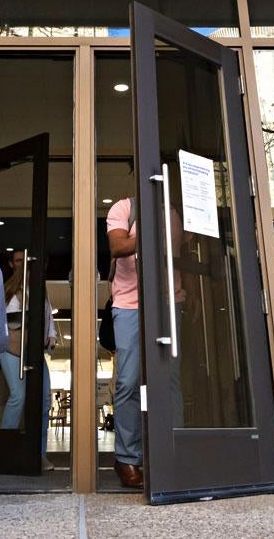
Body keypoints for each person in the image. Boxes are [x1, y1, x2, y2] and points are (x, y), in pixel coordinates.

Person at [105, 195, 183, 490]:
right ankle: (127, 458)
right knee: (128, 380)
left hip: (169, 301)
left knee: (171, 379)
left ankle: (174, 451)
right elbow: (118, 246)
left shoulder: (175, 211)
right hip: (128, 305)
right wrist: (152, 232)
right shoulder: (124, 208)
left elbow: (183, 251)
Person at [0, 250, 58, 472]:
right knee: (19, 395)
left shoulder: (39, 288)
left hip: (34, 349)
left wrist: (51, 334)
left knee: (44, 401)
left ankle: (39, 454)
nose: (22, 264)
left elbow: (47, 314)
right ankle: (4, 451)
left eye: (25, 260)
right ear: (11, 264)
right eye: (17, 260)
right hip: (11, 347)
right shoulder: (7, 288)